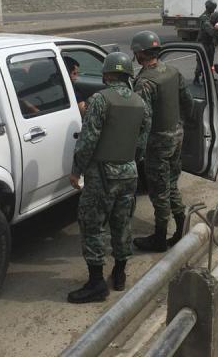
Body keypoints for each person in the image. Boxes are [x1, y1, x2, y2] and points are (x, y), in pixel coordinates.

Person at [67, 52, 149, 304]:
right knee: (121, 222)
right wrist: (129, 162)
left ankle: (96, 284)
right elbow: (142, 142)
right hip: (128, 172)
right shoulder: (139, 102)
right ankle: (120, 274)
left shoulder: (100, 100)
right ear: (127, 76)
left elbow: (87, 140)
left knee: (92, 225)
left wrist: (77, 170)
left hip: (102, 174)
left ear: (106, 75)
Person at [131, 30, 194, 252]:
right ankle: (181, 228)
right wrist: (182, 125)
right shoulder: (173, 72)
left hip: (157, 143)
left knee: (159, 190)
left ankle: (159, 238)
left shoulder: (144, 82)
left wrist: (137, 149)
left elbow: (144, 119)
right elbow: (188, 102)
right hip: (176, 136)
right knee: (171, 184)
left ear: (140, 54)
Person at [193, 0, 218, 85]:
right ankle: (196, 78)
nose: (214, 10)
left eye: (214, 8)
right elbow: (210, 30)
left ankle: (207, 77)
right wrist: (217, 31)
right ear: (209, 7)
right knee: (201, 61)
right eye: (213, 8)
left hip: (210, 42)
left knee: (210, 61)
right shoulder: (204, 17)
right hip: (203, 43)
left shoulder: (211, 16)